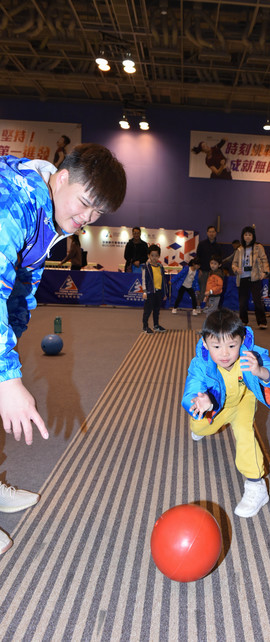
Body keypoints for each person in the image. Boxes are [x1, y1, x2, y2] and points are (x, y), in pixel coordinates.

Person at [0, 143, 127, 553]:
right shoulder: (11, 197)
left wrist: (8, 348)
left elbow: (19, 290)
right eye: (86, 203)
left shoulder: (48, 216)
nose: (87, 218)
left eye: (98, 213)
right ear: (61, 177)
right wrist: (5, 374)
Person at [182, 308, 270, 518]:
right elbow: (191, 391)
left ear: (242, 340)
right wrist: (200, 401)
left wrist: (260, 371)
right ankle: (201, 425)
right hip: (217, 406)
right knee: (198, 426)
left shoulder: (251, 355)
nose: (225, 353)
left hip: (243, 402)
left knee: (245, 433)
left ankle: (256, 486)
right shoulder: (200, 364)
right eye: (216, 346)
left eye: (232, 345)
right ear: (205, 344)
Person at [232, 226, 270, 330]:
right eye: (246, 235)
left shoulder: (259, 247)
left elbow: (264, 260)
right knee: (242, 303)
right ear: (243, 236)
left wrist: (265, 272)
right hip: (242, 278)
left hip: (255, 278)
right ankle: (243, 321)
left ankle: (262, 322)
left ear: (253, 236)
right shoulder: (239, 249)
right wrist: (236, 269)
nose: (248, 237)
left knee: (258, 302)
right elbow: (234, 263)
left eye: (250, 235)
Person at [142, 244, 168, 334]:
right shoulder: (146, 267)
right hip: (150, 292)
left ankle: (156, 325)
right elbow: (144, 280)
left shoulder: (160, 267)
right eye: (152, 255)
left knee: (157, 310)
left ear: (159, 256)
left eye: (156, 255)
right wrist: (145, 292)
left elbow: (163, 281)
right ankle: (145, 326)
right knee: (148, 310)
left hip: (159, 292)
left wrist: (164, 293)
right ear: (148, 255)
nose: (154, 257)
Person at [196, 225, 223, 304]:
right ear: (207, 233)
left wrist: (219, 272)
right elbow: (198, 257)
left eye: (213, 232)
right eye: (210, 232)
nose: (211, 233)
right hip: (203, 271)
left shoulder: (218, 246)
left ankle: (209, 307)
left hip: (214, 273)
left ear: (216, 233)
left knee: (212, 290)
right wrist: (199, 269)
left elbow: (220, 260)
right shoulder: (201, 244)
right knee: (202, 289)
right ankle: (198, 306)